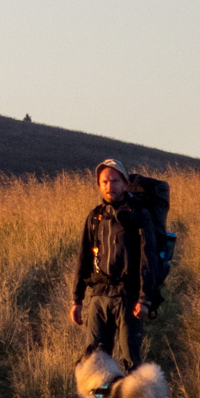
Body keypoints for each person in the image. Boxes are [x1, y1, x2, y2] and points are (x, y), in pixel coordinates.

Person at [70, 158, 160, 374]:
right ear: (99, 186)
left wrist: (144, 299)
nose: (110, 186)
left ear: (125, 183)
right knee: (96, 362)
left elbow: (149, 259)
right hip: (99, 296)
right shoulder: (94, 217)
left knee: (131, 360)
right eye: (104, 182)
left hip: (128, 297)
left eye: (114, 181)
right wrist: (77, 300)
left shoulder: (139, 215)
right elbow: (83, 258)